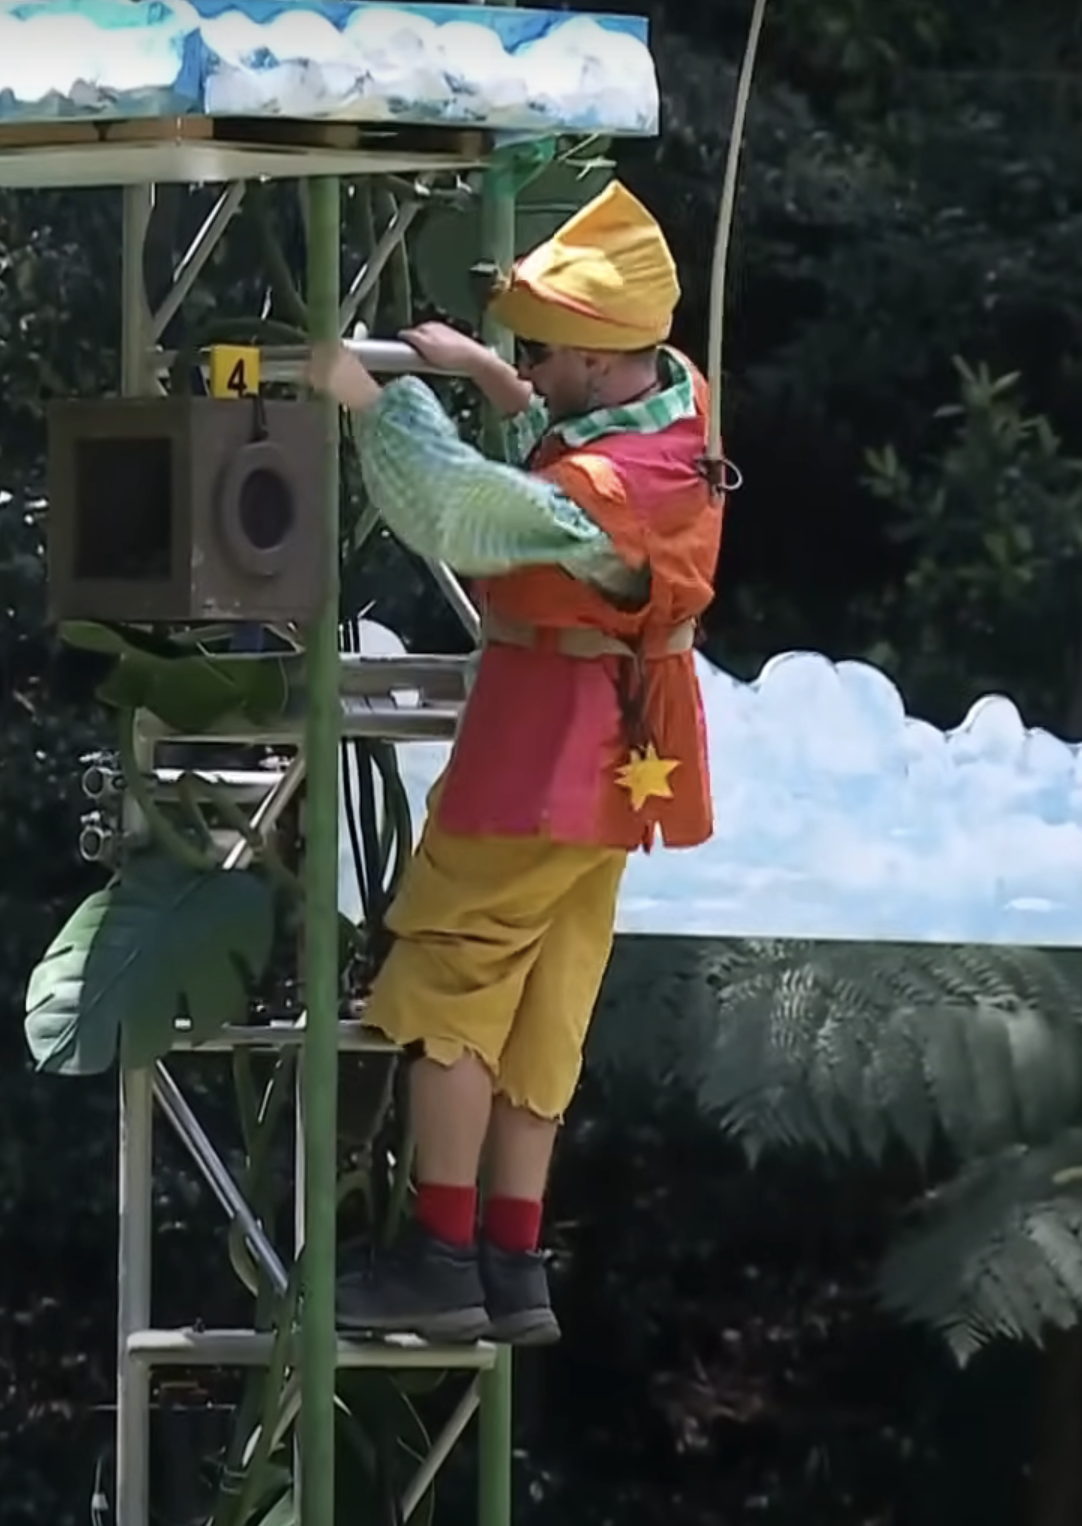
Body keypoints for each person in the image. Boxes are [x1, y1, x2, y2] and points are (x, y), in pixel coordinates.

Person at [304, 181, 721, 1347]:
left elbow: (473, 511)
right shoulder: (682, 413)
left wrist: (370, 401)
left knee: (450, 986)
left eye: (545, 344)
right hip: (621, 765)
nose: (531, 352)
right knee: (546, 1012)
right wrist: (497, 384)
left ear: (597, 357)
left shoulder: (607, 493)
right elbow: (557, 458)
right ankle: (513, 1265)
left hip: (544, 752)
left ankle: (441, 1257)